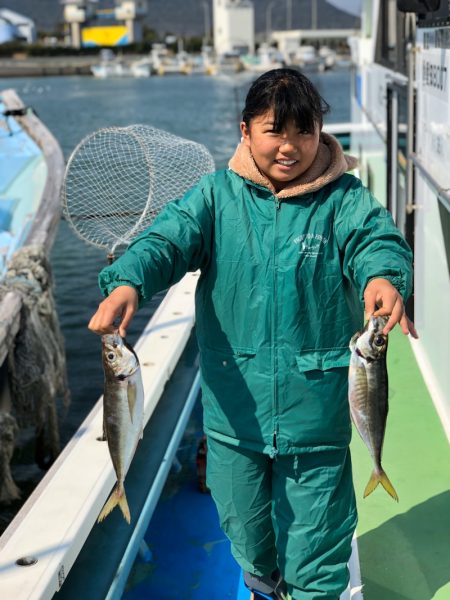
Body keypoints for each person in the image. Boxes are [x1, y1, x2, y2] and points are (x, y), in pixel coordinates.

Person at [88, 68, 417, 600]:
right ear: (245, 131)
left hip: (318, 418)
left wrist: (382, 274)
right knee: (246, 534)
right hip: (233, 416)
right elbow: (167, 242)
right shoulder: (216, 197)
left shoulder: (343, 199)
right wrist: (127, 280)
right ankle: (265, 588)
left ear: (319, 133)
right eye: (274, 131)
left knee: (317, 545)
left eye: (303, 132)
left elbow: (376, 240)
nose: (289, 147)